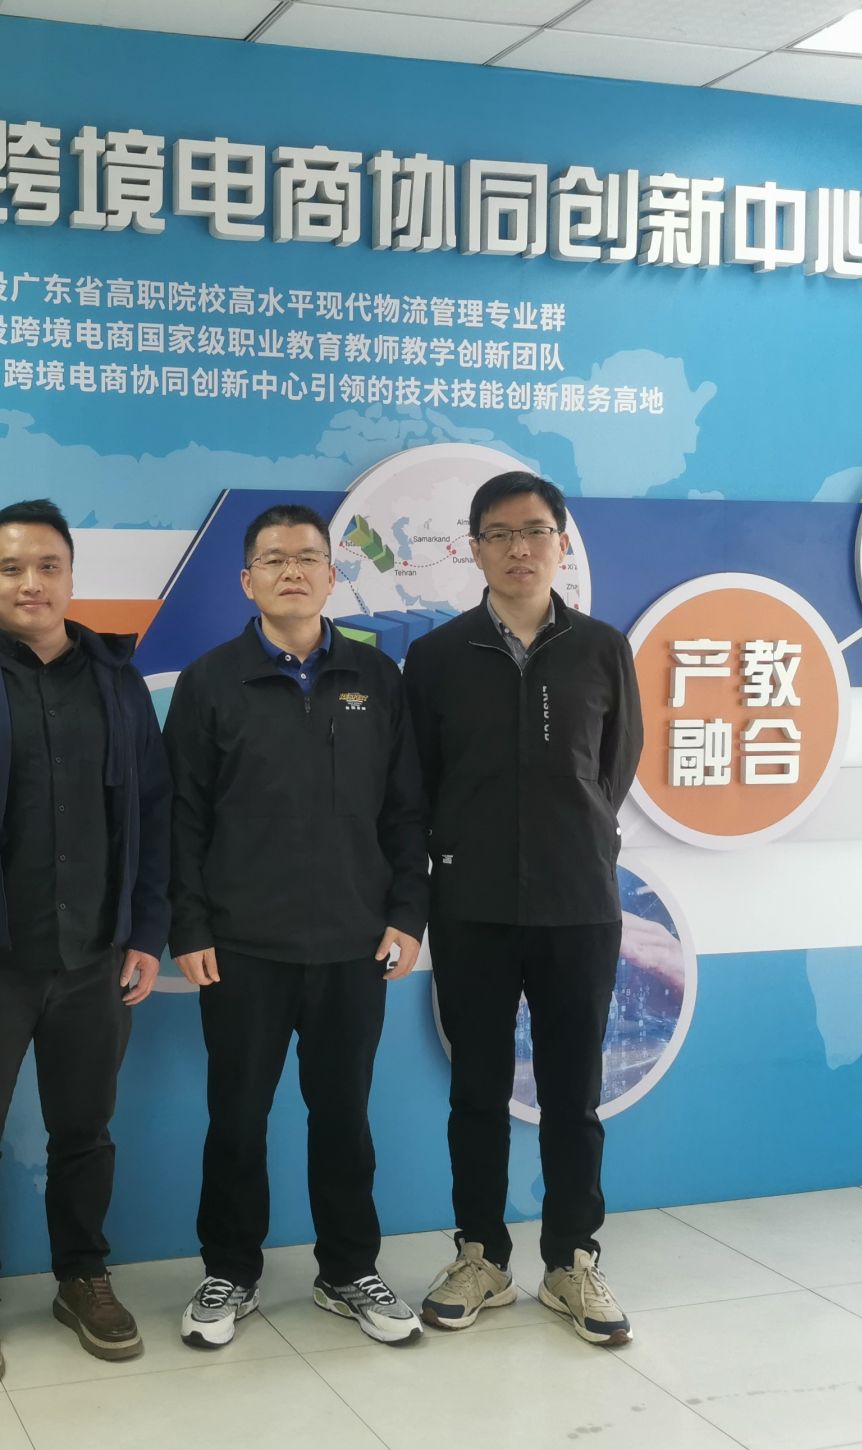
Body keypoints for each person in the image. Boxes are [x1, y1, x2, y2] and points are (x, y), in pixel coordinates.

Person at [0, 498, 171, 1385]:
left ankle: (82, 1276)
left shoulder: (118, 683)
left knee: (85, 1132)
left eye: (48, 566)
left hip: (95, 957)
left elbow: (153, 814)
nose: (31, 583)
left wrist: (147, 931)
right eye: (11, 568)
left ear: (70, 576)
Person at [163, 503, 431, 1350]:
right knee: (237, 1120)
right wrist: (190, 926)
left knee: (344, 1118)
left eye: (308, 557)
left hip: (354, 946)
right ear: (247, 580)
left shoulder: (376, 678)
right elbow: (181, 818)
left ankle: (348, 1270)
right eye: (273, 559)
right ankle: (228, 1272)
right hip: (241, 948)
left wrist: (408, 914)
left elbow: (406, 810)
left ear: (331, 574)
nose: (292, 571)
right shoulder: (210, 682)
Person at [403, 471, 643, 1346]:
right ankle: (482, 1256)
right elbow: (419, 780)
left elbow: (614, 767)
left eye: (535, 531)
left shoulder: (602, 649)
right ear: (473, 549)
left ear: (561, 543)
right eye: (499, 534)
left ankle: (572, 1260)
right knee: (476, 1091)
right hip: (471, 904)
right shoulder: (437, 657)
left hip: (580, 902)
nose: (518, 549)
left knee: (574, 1094)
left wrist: (572, 841)